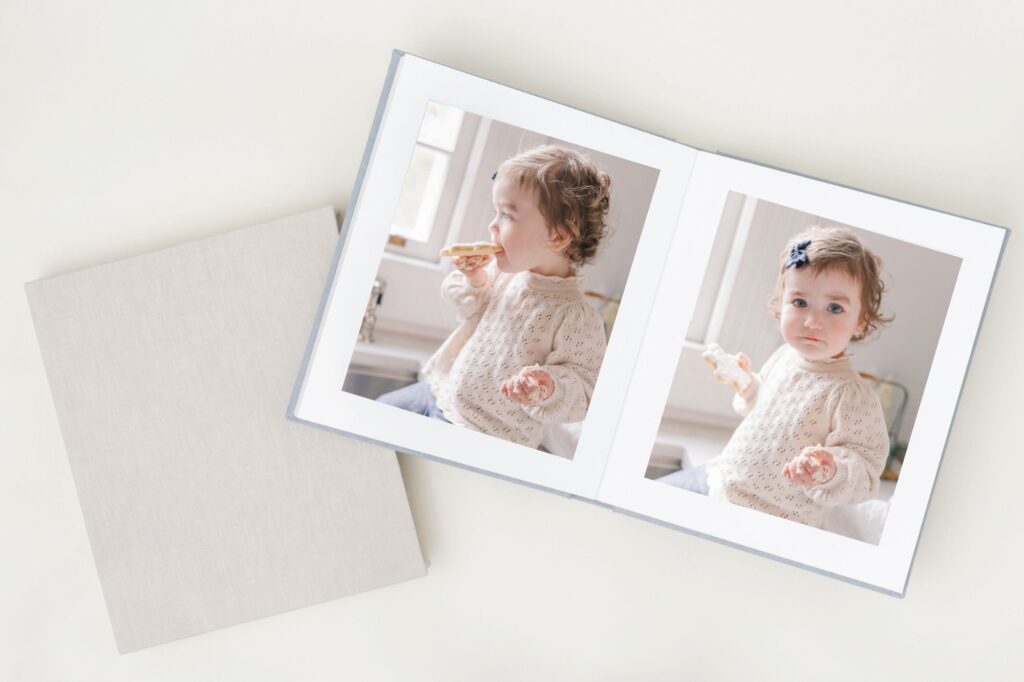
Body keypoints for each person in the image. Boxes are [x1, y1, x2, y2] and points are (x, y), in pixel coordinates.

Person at [378, 145, 611, 449]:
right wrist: (475, 280)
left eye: (507, 215)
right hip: (439, 394)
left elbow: (584, 395)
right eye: (496, 211)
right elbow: (469, 310)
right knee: (377, 413)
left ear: (557, 236)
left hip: (482, 437)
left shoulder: (577, 319)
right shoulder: (506, 275)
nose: (492, 226)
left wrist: (549, 387)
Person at [673, 226, 892, 528]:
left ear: (860, 321)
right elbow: (764, 412)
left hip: (772, 518)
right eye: (800, 303)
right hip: (720, 481)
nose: (813, 321)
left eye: (834, 308)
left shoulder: (851, 396)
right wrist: (749, 385)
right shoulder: (784, 357)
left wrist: (830, 469)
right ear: (781, 303)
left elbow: (865, 473)